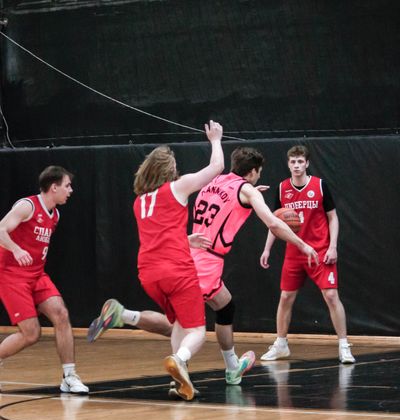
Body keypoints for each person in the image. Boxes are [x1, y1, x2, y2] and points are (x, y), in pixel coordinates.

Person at [88, 147, 318, 392]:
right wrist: (303, 244)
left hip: (186, 253)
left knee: (223, 307)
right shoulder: (244, 190)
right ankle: (136, 326)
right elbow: (273, 223)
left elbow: (225, 197)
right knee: (186, 327)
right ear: (252, 172)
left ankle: (230, 367)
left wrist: (250, 195)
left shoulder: (214, 183)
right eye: (258, 173)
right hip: (203, 263)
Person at [91, 120, 225, 402]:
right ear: (169, 170)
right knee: (198, 331)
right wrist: (215, 140)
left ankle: (179, 380)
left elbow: (158, 235)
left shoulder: (139, 202)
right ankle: (179, 359)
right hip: (176, 269)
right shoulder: (177, 188)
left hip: (149, 273)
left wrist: (185, 239)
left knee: (179, 326)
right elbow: (216, 168)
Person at [259, 145, 355, 364]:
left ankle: (344, 345)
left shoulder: (319, 185)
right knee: (285, 297)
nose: (296, 165)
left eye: (300, 161)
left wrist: (333, 246)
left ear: (307, 163)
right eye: (293, 162)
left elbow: (333, 217)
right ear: (288, 164)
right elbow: (275, 222)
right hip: (294, 251)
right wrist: (267, 249)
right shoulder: (282, 188)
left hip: (320, 250)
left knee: (331, 296)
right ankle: (281, 344)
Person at [0, 165, 89, 394]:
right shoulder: (27, 206)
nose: (71, 190)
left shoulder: (55, 215)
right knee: (32, 334)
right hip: (12, 275)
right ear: (54, 187)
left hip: (37, 274)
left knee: (61, 314)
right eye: (67, 185)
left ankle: (69, 376)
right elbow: (1, 229)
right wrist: (16, 249)